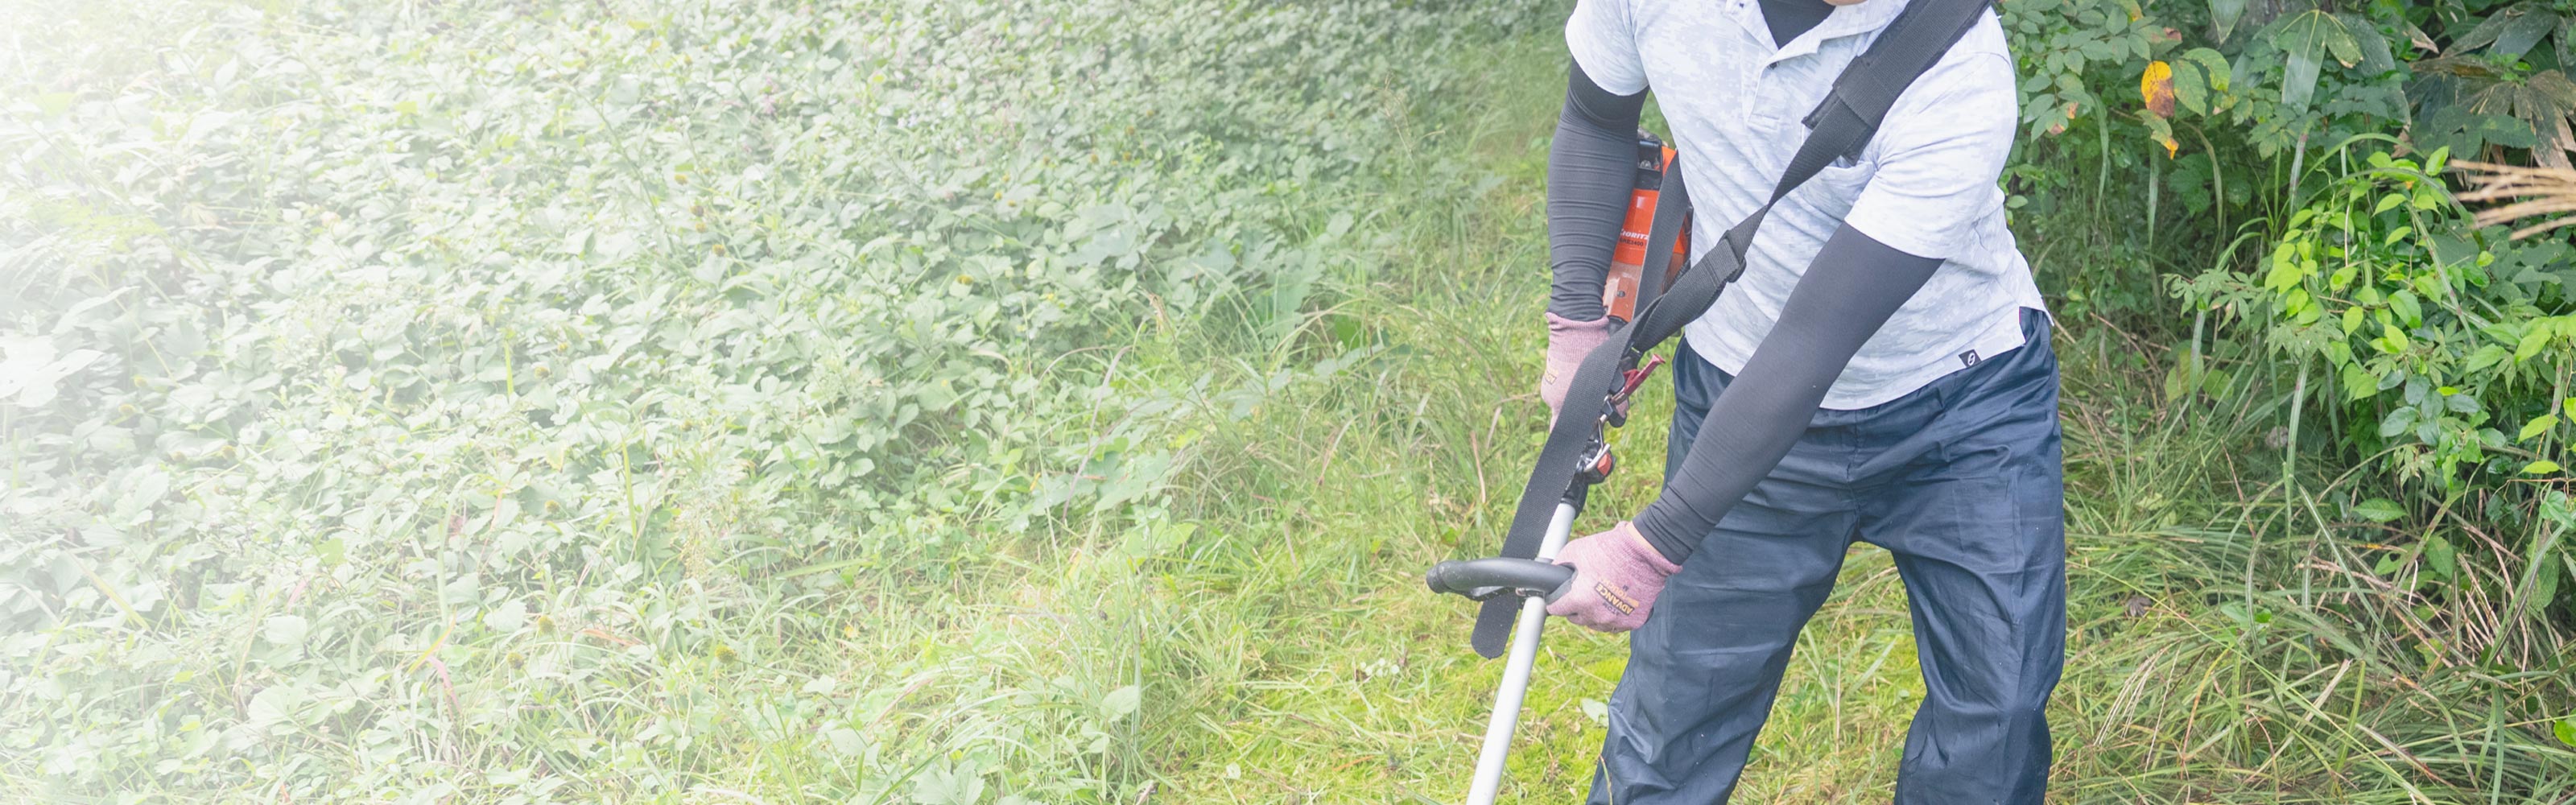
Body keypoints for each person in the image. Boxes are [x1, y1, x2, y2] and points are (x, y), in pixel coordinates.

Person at [1533, 0, 2064, 801]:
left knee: (1994, 723)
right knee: (1671, 727)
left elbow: (1815, 338)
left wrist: (1650, 547)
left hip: (1964, 402)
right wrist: (1576, 320)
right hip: (1737, 384)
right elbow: (1595, 119)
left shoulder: (1957, 67)